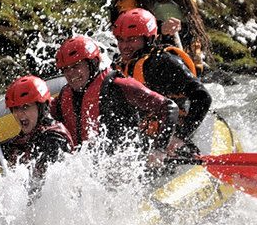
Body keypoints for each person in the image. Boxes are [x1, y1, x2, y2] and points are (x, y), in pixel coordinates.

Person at [50, 35, 179, 160]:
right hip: (88, 171)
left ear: (93, 63)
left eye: (76, 66)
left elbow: (169, 107)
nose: (70, 74)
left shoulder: (119, 86)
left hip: (127, 167)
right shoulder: (64, 97)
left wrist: (159, 149)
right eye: (65, 69)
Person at [113, 8, 212, 156]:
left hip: (178, 132)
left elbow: (203, 97)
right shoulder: (119, 66)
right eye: (121, 39)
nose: (124, 46)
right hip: (147, 136)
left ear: (148, 39)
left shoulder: (163, 64)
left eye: (132, 39)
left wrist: (180, 137)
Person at [0, 75, 73, 193]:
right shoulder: (25, 139)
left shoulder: (54, 138)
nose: (20, 114)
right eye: (16, 108)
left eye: (26, 107)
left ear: (41, 107)